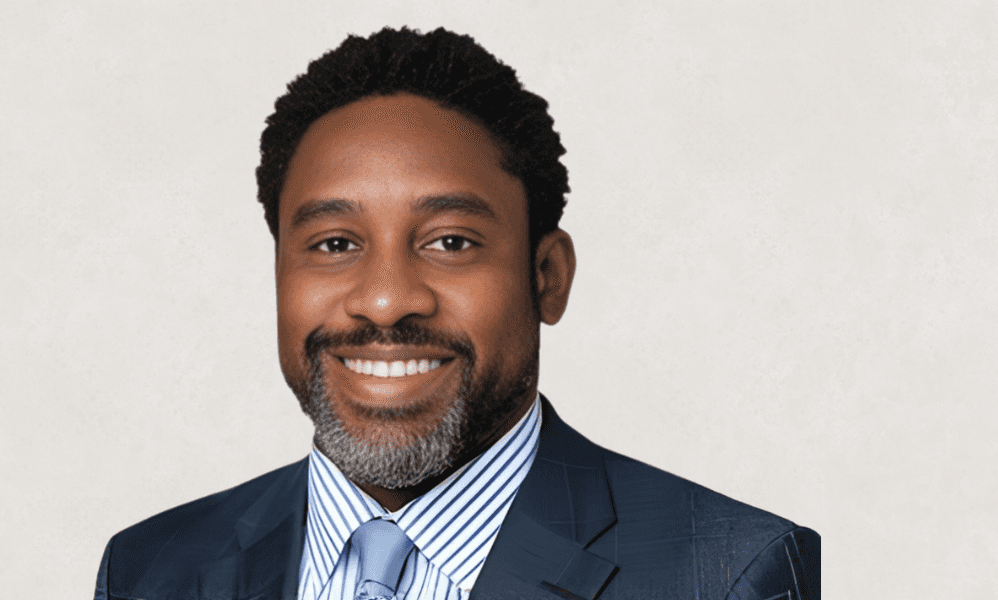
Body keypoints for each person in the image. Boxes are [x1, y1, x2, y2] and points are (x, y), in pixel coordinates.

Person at [94, 26, 820, 600]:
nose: (385, 301)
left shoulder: (730, 573)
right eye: (335, 243)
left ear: (548, 277)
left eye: (450, 242)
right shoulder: (149, 570)